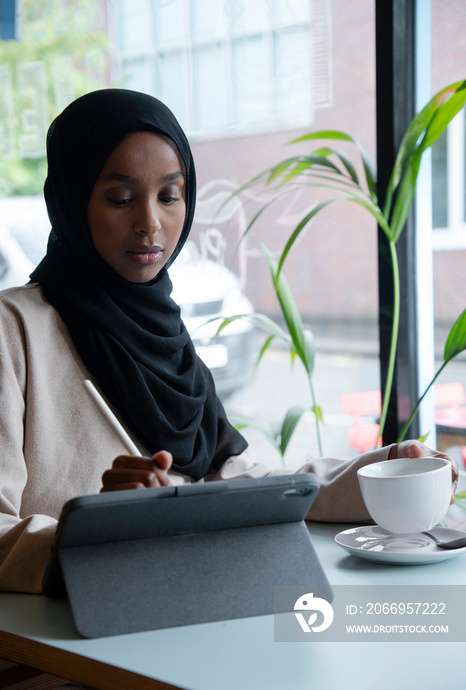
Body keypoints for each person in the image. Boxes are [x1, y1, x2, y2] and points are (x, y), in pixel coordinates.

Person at [0, 89, 458, 597]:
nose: (150, 223)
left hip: (185, 613)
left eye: (169, 196)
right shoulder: (14, 330)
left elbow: (227, 482)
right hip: (59, 659)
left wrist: (377, 473)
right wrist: (95, 533)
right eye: (121, 198)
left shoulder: (164, 333)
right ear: (70, 199)